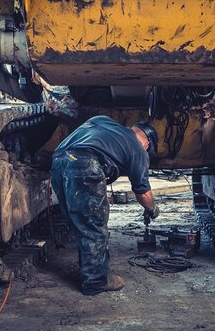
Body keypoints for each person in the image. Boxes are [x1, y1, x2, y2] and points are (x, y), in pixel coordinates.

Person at [51, 115, 160, 295]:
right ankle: (95, 282)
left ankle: (89, 271)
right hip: (85, 164)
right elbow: (142, 191)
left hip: (59, 161)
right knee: (93, 226)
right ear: (147, 143)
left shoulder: (102, 120)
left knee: (80, 223)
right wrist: (152, 209)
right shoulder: (138, 150)